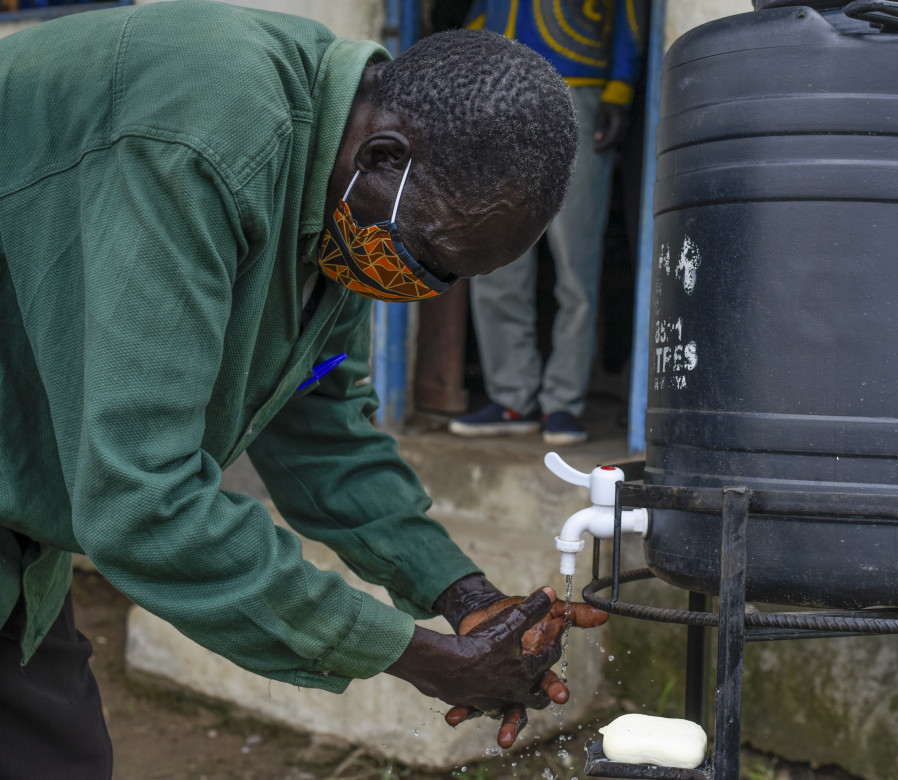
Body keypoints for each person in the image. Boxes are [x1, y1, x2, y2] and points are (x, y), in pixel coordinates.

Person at [0, 3, 607, 777]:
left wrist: (461, 595)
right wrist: (422, 657)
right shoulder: (203, 137)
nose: (421, 286)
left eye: (450, 278)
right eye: (426, 256)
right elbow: (140, 501)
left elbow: (320, 425)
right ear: (385, 155)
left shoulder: (348, 194)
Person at [448, 0, 644, 445]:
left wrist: (619, 90)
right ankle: (512, 396)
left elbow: (629, 14)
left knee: (576, 261)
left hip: (577, 86)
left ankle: (563, 402)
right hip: (499, 94)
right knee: (494, 255)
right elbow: (478, 20)